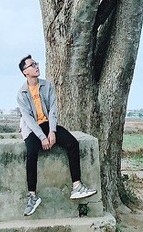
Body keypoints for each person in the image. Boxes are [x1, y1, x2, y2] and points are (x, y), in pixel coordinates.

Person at [17, 54, 97, 217]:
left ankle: (77, 186)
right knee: (31, 153)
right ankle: (32, 196)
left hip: (47, 124)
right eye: (32, 65)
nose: (36, 66)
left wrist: (52, 131)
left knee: (72, 143)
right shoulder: (22, 94)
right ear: (25, 72)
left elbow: (53, 110)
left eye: (36, 63)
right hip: (32, 129)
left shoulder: (47, 86)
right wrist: (42, 137)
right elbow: (29, 120)